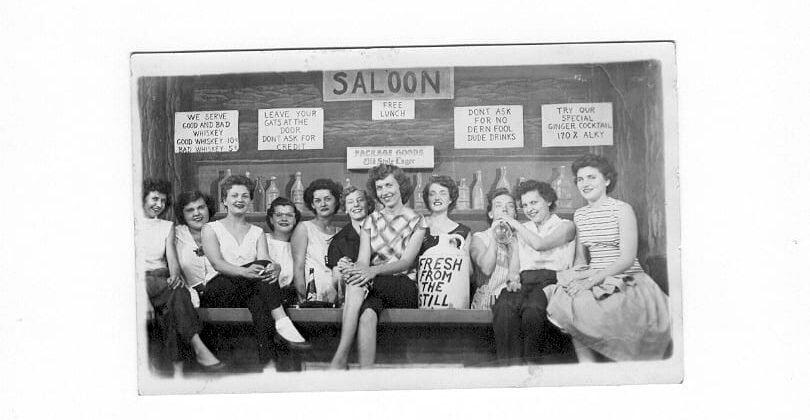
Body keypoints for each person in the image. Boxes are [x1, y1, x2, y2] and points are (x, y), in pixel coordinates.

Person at [546, 154, 671, 362]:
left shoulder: (622, 210)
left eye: (591, 177)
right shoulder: (580, 214)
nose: (585, 183)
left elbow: (627, 258)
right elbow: (580, 258)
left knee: (596, 303)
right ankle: (588, 367)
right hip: (594, 276)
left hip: (627, 279)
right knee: (568, 297)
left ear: (607, 180)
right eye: (580, 179)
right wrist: (578, 278)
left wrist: (590, 281)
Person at [200, 175, 310, 369]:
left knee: (260, 302)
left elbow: (266, 260)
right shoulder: (210, 228)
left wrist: (275, 267)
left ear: (250, 201)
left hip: (246, 291)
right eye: (234, 195)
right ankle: (282, 320)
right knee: (260, 276)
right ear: (224, 200)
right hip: (218, 289)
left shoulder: (257, 231)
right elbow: (217, 263)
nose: (240, 200)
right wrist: (245, 272)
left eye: (244, 196)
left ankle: (267, 366)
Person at [330, 164, 427, 369]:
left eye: (389, 185)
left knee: (357, 284)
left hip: (403, 286)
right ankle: (367, 378)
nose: (385, 192)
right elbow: (363, 261)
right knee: (366, 316)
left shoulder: (417, 220)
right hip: (375, 285)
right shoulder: (370, 221)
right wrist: (353, 268)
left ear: (400, 186)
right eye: (380, 187)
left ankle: (340, 356)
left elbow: (406, 262)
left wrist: (370, 271)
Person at [136, 180, 223, 372]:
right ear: (141, 199)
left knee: (177, 296)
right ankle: (198, 349)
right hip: (140, 280)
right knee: (178, 297)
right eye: (154, 199)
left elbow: (171, 258)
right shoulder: (131, 224)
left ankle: (178, 369)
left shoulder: (167, 226)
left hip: (161, 279)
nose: (158, 204)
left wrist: (175, 275)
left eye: (163, 201)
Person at [491, 180, 576, 365]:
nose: (529, 209)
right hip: (525, 280)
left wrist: (514, 222)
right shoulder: (523, 228)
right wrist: (512, 279)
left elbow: (540, 245)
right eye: (525, 205)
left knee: (533, 310)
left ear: (548, 201)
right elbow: (515, 266)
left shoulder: (566, 226)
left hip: (552, 281)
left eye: (534, 202)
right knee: (503, 307)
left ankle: (533, 369)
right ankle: (509, 369)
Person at [325, 186, 374, 368]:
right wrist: (342, 270)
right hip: (353, 294)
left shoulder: (381, 230)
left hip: (379, 289)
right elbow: (336, 282)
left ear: (368, 204)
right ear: (345, 208)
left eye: (360, 200)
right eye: (350, 202)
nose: (356, 205)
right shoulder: (339, 241)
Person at [291, 178, 341, 304]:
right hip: (312, 296)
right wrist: (304, 296)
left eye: (328, 199)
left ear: (336, 201)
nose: (323, 204)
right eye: (317, 200)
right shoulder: (304, 228)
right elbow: (298, 268)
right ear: (312, 205)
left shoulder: (340, 232)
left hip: (337, 296)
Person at [470, 188, 520, 311]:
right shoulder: (480, 237)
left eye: (510, 206)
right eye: (498, 206)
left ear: (515, 214)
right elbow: (486, 269)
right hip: (487, 303)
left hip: (515, 302)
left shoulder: (523, 238)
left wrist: (514, 243)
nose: (504, 209)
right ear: (490, 214)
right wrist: (494, 234)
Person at [419, 175, 471, 255]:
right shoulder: (418, 226)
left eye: (442, 194)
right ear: (427, 198)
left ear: (450, 199)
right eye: (432, 194)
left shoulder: (463, 232)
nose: (437, 198)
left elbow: (467, 265)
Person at [265, 197, 301, 307]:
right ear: (271, 219)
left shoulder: (299, 246)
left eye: (289, 215)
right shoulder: (262, 240)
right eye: (279, 215)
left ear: (295, 220)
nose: (284, 219)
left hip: (287, 301)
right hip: (263, 299)